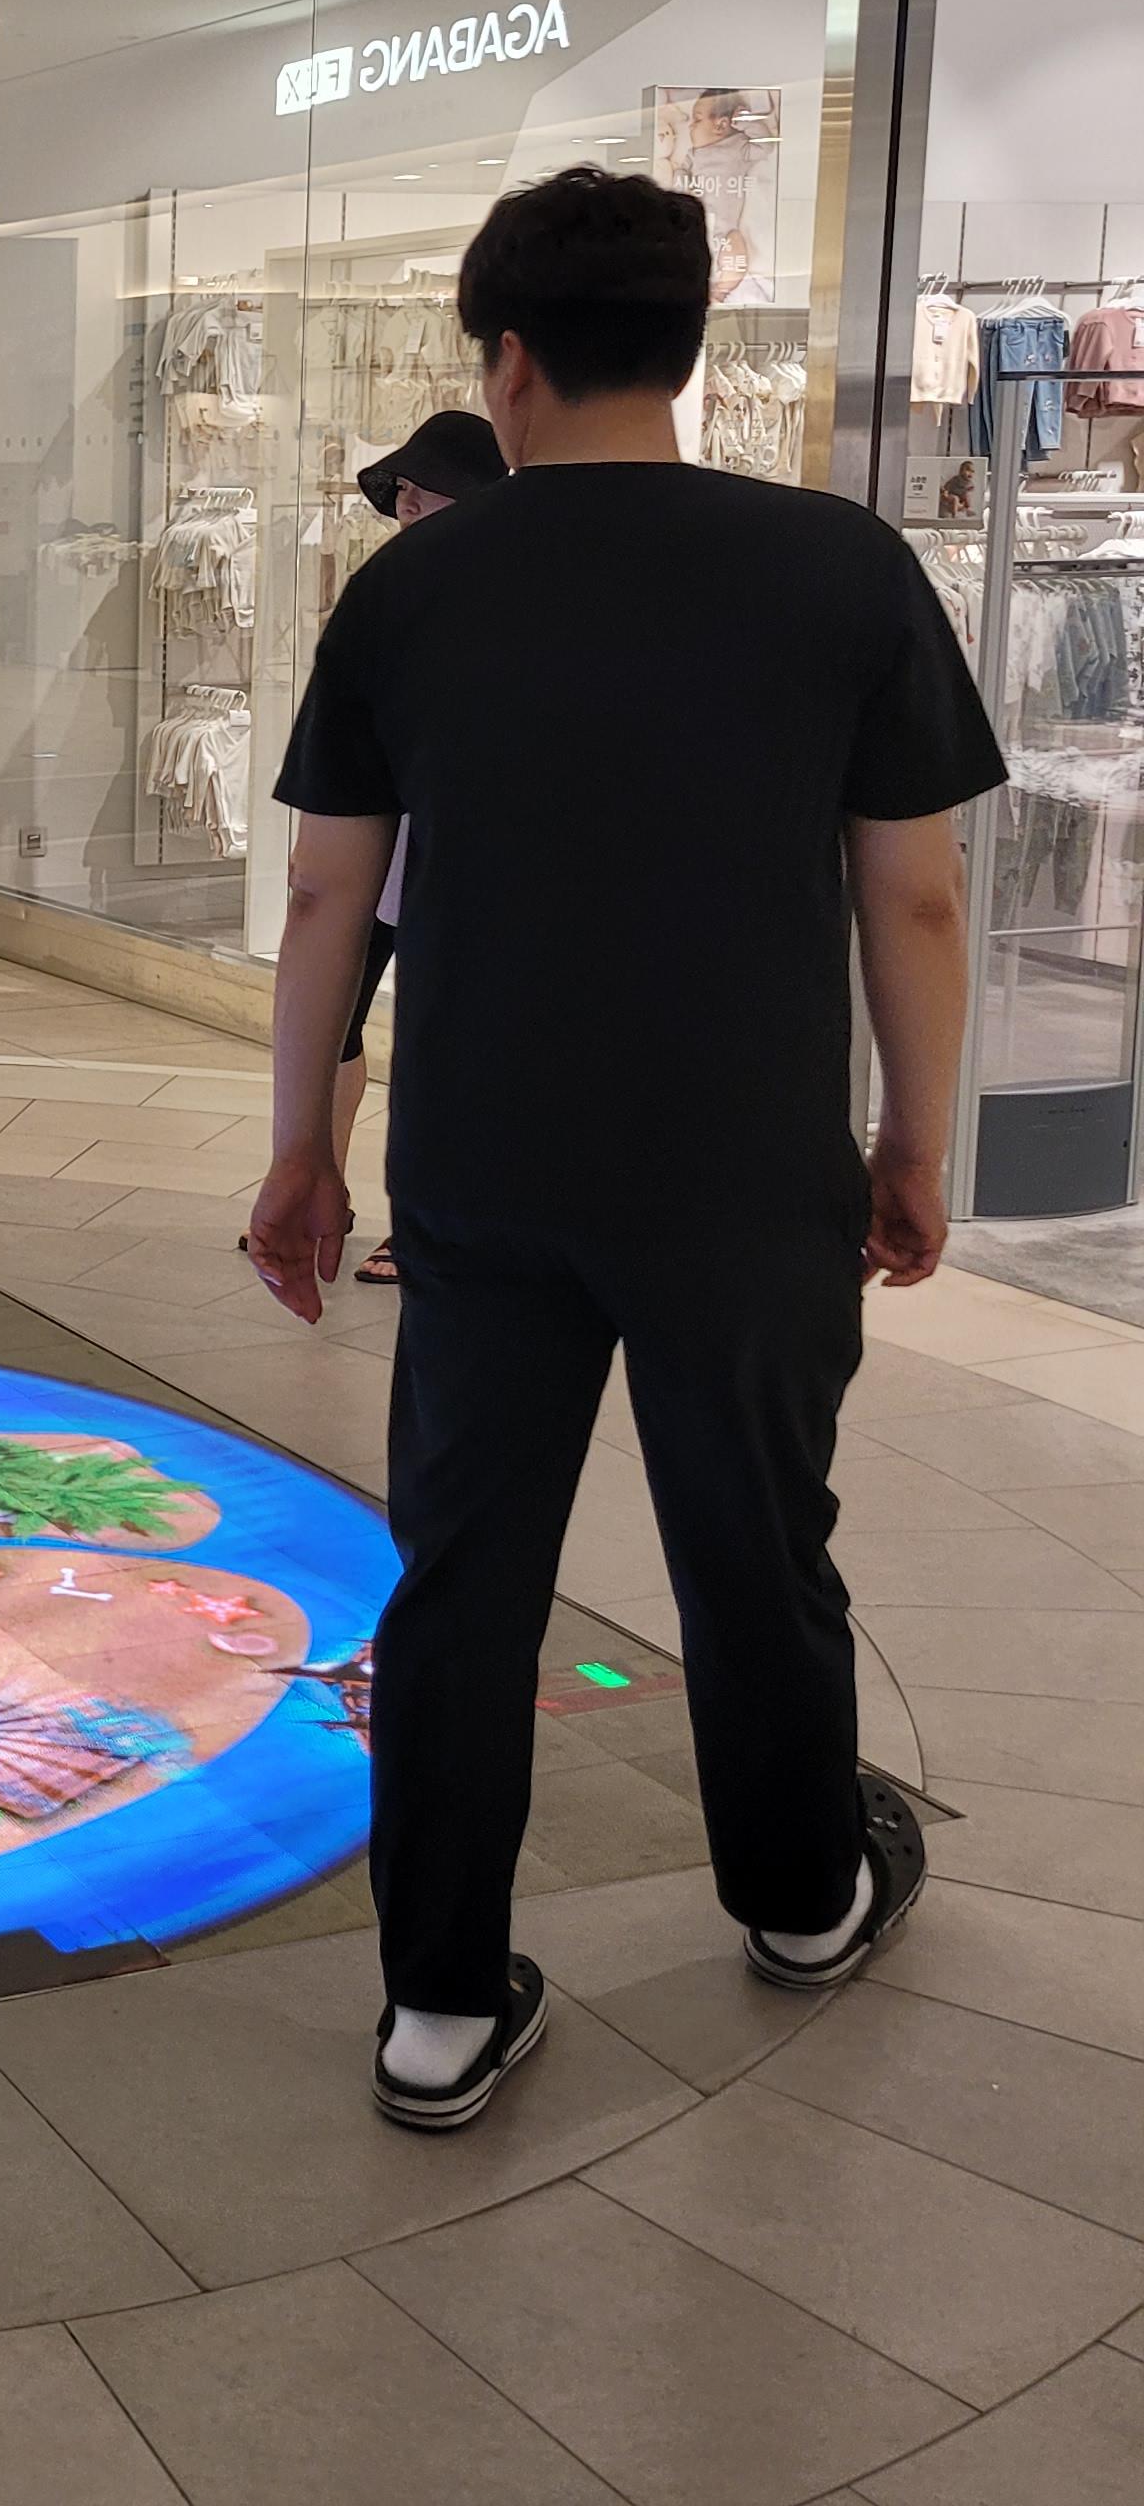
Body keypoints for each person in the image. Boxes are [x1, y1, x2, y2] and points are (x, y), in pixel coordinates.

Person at [247, 165, 1007, 2132]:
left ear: (504, 361)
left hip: (483, 1172)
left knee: (461, 1574)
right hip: (747, 1171)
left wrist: (301, 1145)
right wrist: (912, 1141)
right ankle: (805, 1897)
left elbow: (329, 896)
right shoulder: (840, 569)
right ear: (680, 350)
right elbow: (915, 898)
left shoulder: (411, 588)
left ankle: (436, 2008)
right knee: (752, 1545)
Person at [329, 409, 509, 1292]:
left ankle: (421, 1222)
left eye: (424, 490)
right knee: (339, 1017)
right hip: (378, 843)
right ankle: (325, 1187)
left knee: (442, 1041)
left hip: (463, 853)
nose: (405, 502)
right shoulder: (391, 596)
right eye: (400, 488)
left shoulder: (511, 601)